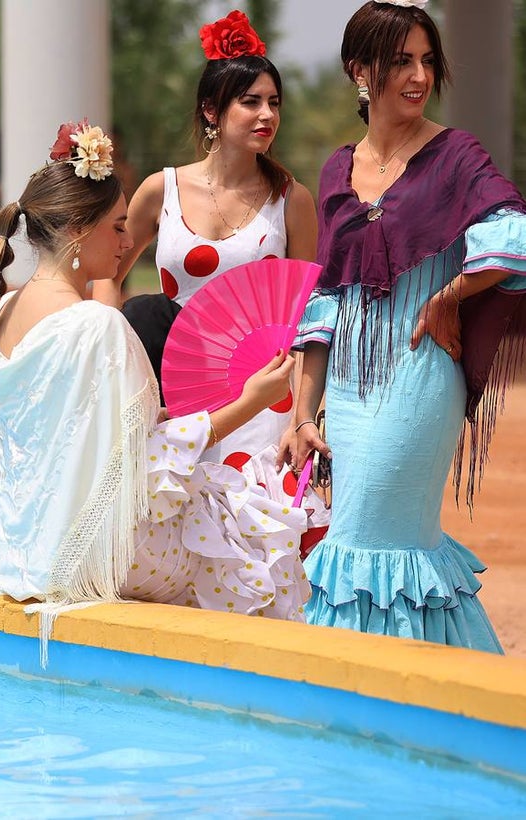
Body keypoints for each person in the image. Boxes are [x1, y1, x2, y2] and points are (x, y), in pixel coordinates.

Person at [0, 120, 309, 644]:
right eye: (118, 227)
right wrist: (251, 401)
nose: (128, 241)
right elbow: (149, 466)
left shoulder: (4, 308)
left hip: (27, 553)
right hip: (103, 555)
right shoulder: (97, 324)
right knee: (255, 535)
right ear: (78, 230)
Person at [280, 1, 526, 653]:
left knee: (373, 542)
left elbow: (516, 236)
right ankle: (440, 686)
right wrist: (302, 414)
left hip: (420, 374)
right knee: (366, 542)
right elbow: (327, 299)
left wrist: (450, 294)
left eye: (427, 60)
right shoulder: (337, 168)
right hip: (348, 391)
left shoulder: (456, 155)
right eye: (401, 61)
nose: (419, 76)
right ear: (359, 70)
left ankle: (376, 688)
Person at [96, 10, 318, 483]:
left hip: (264, 400)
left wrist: (302, 417)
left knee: (255, 518)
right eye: (251, 101)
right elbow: (107, 272)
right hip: (175, 389)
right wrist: (116, 352)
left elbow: (307, 318)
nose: (267, 114)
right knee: (174, 515)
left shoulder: (291, 199)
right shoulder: (161, 190)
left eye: (274, 102)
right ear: (211, 111)